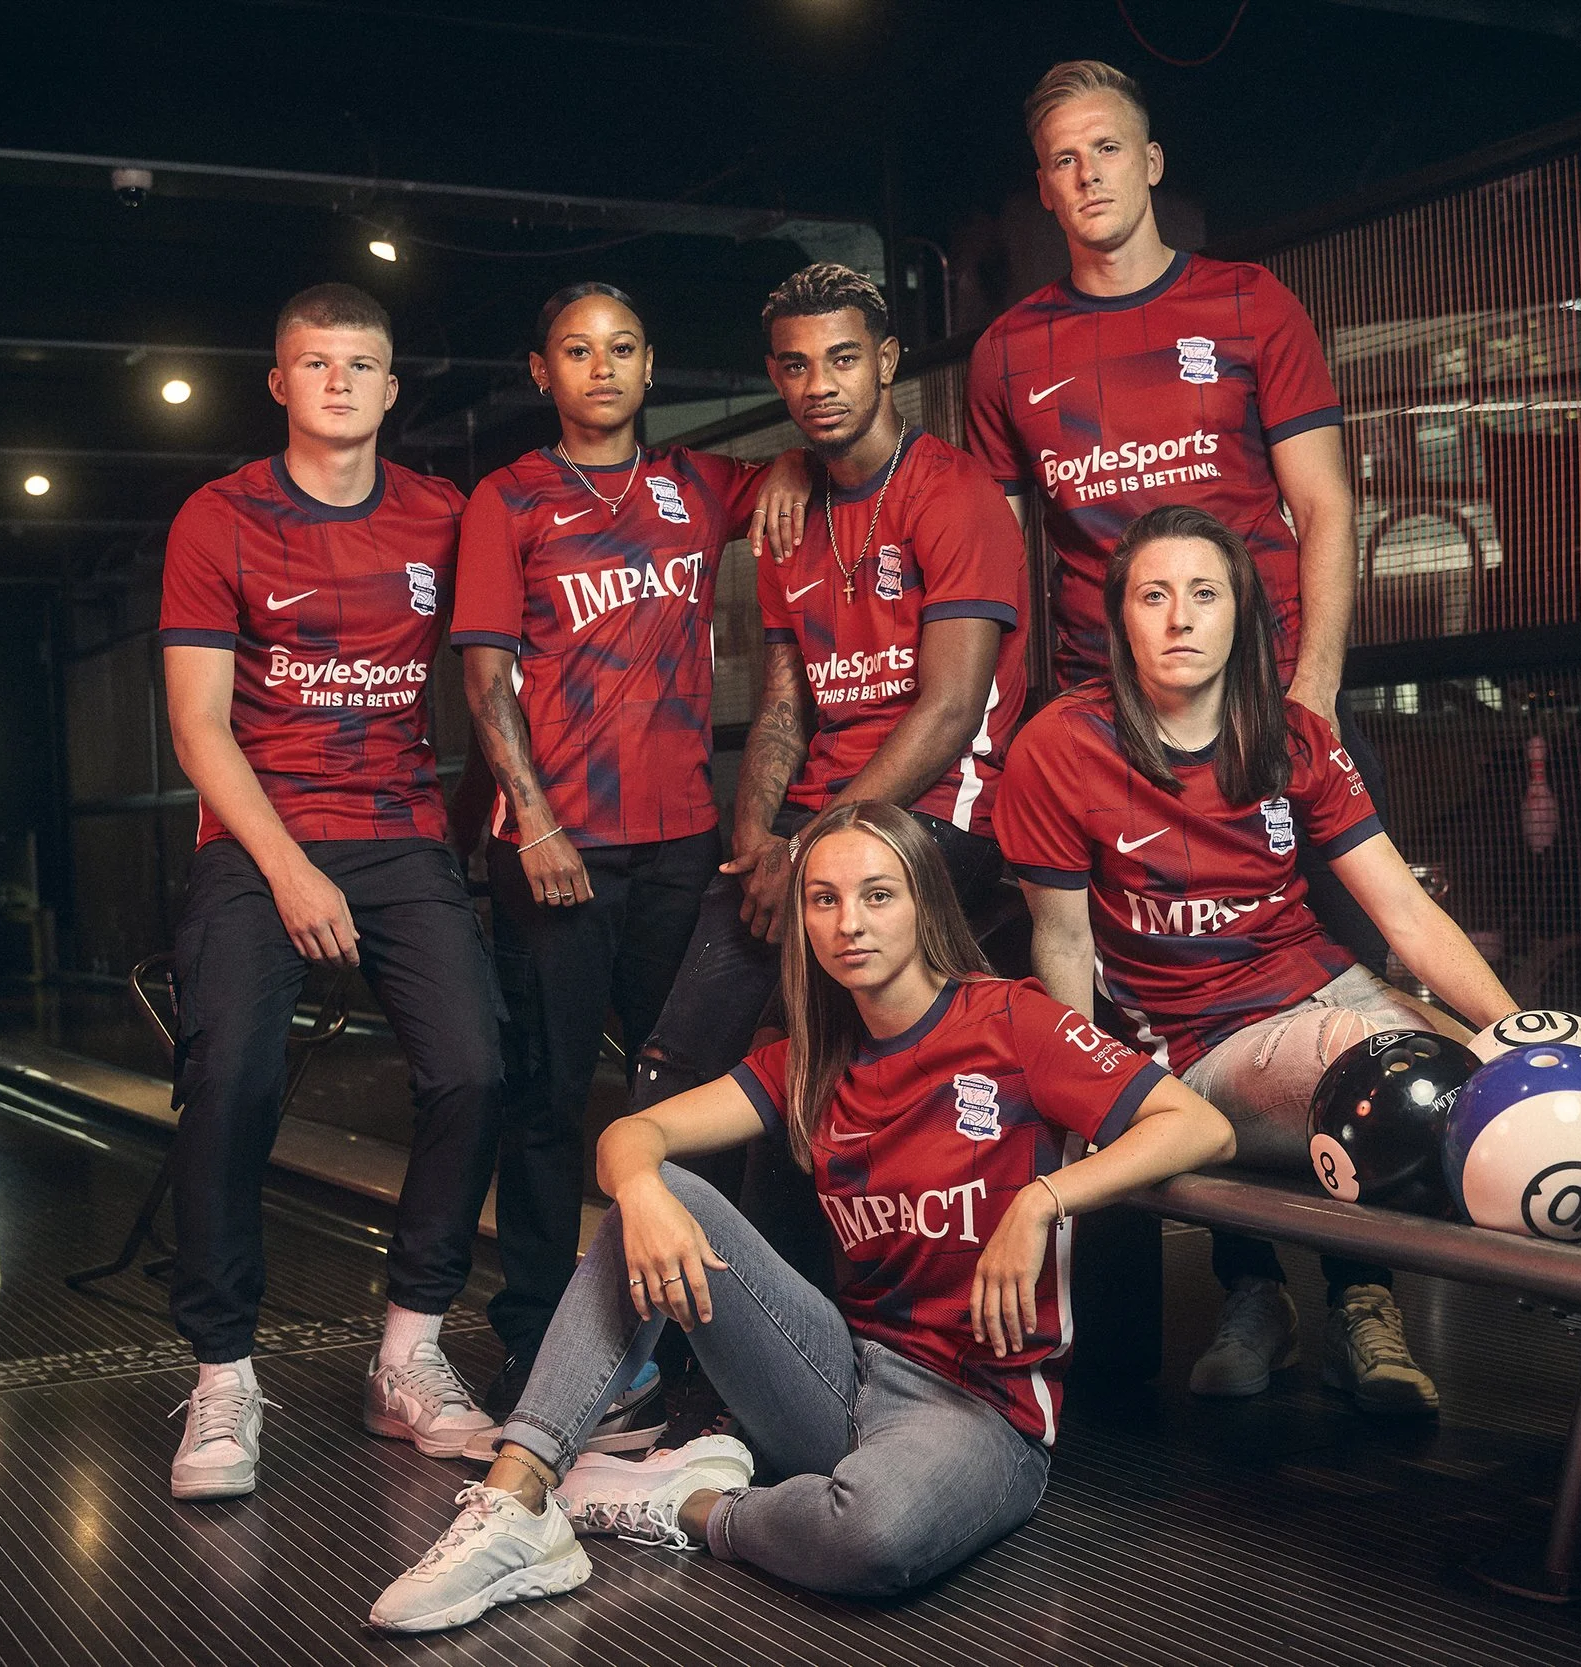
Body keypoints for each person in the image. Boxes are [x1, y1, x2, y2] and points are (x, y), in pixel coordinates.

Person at [368, 802, 1236, 1632]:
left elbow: (1201, 1125)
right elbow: (634, 1134)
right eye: (824, 899)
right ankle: (516, 1499)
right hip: (839, 1375)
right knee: (662, 1191)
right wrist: (643, 1195)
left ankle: (681, 1500)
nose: (848, 921)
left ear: (924, 903)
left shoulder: (1013, 1021)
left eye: (877, 894)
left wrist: (1042, 1200)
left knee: (874, 1537)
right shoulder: (811, 1058)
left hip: (980, 1409)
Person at [964, 59, 1412, 1403]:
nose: (1088, 174)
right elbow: (999, 563)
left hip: (1272, 726)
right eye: (1061, 159)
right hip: (1116, 754)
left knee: (1349, 1015)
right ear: (1043, 187)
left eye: (1109, 148)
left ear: (1151, 163)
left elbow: (1326, 508)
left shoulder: (1246, 303)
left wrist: (1316, 691)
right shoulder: (1008, 355)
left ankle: (1370, 1295)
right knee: (1172, 1029)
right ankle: (1251, 1293)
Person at [996, 506, 1519, 1415]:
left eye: (1204, 593)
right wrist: (1083, 1097)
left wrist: (1517, 1034)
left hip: (1323, 991)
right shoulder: (1061, 746)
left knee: (1512, 1092)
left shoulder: (1294, 734)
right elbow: (1064, 942)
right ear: (1119, 616)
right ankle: (1271, 1297)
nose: (1180, 617)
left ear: (1240, 610)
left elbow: (1399, 907)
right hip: (1198, 1041)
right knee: (1381, 1067)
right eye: (1153, 595)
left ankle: (1361, 1303)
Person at [157, 282, 503, 1497]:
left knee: (473, 1066)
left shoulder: (441, 514)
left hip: (401, 831)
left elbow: (511, 641)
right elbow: (199, 728)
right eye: (317, 363)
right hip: (259, 837)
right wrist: (290, 867)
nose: (341, 381)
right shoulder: (219, 516)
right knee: (234, 1073)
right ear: (280, 381)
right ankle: (221, 1376)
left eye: (363, 364)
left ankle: (406, 1356)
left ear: (392, 387)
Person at [627, 262, 1029, 1274]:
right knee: (672, 1070)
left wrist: (806, 852)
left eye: (844, 358)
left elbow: (947, 711)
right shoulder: (785, 512)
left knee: (811, 1061)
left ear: (887, 362)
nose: (821, 385)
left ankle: (786, 1334)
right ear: (776, 375)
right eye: (798, 366)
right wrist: (754, 837)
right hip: (816, 827)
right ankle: (677, 1348)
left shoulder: (955, 492)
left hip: (939, 816)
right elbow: (780, 703)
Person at [449, 282, 807, 1377]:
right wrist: (539, 825)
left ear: (651, 367)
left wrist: (792, 461)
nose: (600, 368)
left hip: (680, 845)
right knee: (551, 1101)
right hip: (560, 849)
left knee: (686, 1095)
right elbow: (487, 676)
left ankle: (692, 1328)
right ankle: (541, 1337)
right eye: (575, 350)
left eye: (621, 349)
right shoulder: (507, 500)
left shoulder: (699, 484)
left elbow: (813, 469)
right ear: (541, 371)